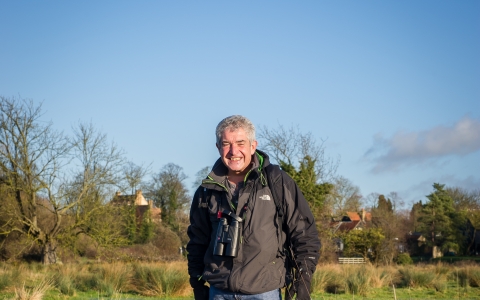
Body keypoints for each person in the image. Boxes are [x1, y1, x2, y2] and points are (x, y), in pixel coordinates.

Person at [187, 115, 321, 300]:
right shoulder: (206, 190)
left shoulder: (277, 182)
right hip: (218, 292)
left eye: (241, 143)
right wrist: (197, 281)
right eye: (226, 143)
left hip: (265, 292)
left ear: (253, 145)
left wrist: (303, 282)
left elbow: (305, 235)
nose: (234, 151)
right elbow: (197, 242)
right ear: (218, 147)